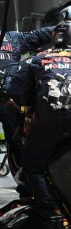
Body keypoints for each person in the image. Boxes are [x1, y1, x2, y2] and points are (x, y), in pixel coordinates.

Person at [5, 20, 71, 229]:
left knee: (32, 163)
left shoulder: (36, 60)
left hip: (47, 117)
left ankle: (52, 211)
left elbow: (18, 92)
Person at [0, 25, 54, 204]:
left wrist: (63, 27)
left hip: (10, 100)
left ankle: (27, 190)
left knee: (19, 143)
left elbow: (37, 35)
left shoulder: (13, 37)